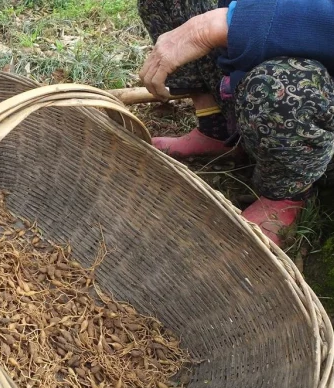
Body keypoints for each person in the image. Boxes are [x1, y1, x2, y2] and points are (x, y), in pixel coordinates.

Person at [138, 0, 334, 247]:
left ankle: (287, 191)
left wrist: (225, 24)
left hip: (312, 108)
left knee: (277, 87)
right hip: (246, 82)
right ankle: (215, 128)